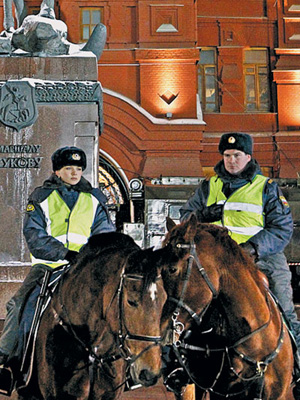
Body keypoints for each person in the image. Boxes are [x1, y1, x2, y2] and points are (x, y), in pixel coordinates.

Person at [180, 132, 300, 393]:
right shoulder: (207, 186)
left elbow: (281, 227)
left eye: (236, 156)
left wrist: (253, 249)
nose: (231, 160)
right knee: (185, 303)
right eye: (226, 155)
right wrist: (199, 214)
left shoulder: (266, 187)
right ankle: (177, 366)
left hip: (262, 261)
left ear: (248, 157)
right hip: (217, 265)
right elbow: (184, 219)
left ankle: (298, 368)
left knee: (285, 309)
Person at [0, 146, 115, 367]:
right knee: (19, 304)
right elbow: (34, 234)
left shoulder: (94, 199)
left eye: (79, 168)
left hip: (84, 267)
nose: (74, 173)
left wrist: (89, 257)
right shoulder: (41, 197)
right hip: (48, 267)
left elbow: (104, 234)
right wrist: (64, 253)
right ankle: (7, 358)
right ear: (57, 171)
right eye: (68, 168)